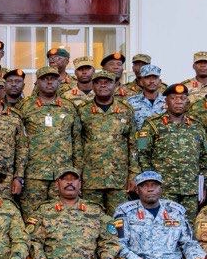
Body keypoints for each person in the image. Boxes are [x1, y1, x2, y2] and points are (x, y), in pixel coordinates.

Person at [135, 83, 207, 221]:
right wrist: (151, 183)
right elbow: (142, 154)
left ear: (187, 101)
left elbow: (205, 156)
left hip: (190, 188)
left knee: (188, 226)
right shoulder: (152, 124)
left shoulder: (197, 125)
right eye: (174, 98)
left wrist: (202, 185)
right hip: (164, 188)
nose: (178, 102)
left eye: (182, 98)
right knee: (165, 225)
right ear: (166, 101)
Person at [16, 66, 81, 217]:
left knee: (61, 217)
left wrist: (78, 172)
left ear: (59, 81)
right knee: (32, 217)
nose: (49, 82)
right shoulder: (25, 106)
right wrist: (19, 174)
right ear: (37, 82)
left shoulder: (69, 107)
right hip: (33, 174)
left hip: (62, 175)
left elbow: (77, 141)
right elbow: (19, 141)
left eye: (53, 79)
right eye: (44, 79)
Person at [77, 71, 136, 214]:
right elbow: (77, 144)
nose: (103, 85)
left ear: (115, 85)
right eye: (98, 82)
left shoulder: (126, 110)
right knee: (91, 219)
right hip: (90, 178)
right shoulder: (83, 111)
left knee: (119, 219)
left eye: (108, 82)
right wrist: (77, 175)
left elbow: (133, 144)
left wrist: (134, 173)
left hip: (118, 178)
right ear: (92, 85)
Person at [125, 64, 166, 129]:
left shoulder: (168, 102)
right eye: (147, 77)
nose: (152, 81)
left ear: (160, 81)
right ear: (141, 82)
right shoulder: (130, 102)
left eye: (155, 77)